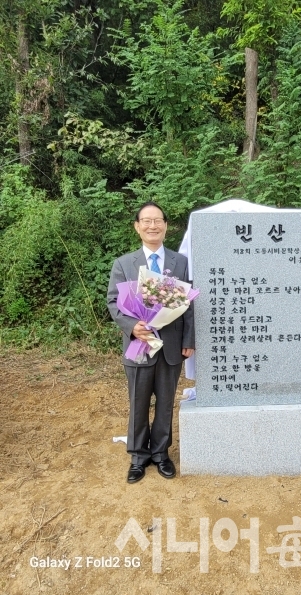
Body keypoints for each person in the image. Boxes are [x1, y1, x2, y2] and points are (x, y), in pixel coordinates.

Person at [107, 202, 195, 483]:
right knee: (139, 401)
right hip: (139, 344)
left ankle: (160, 454)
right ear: (137, 226)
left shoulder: (179, 262)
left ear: (166, 226)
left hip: (170, 345)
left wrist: (188, 339)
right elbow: (113, 302)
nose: (152, 226)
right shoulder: (123, 263)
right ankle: (138, 457)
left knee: (166, 401)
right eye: (146, 221)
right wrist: (132, 326)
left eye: (157, 221)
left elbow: (188, 303)